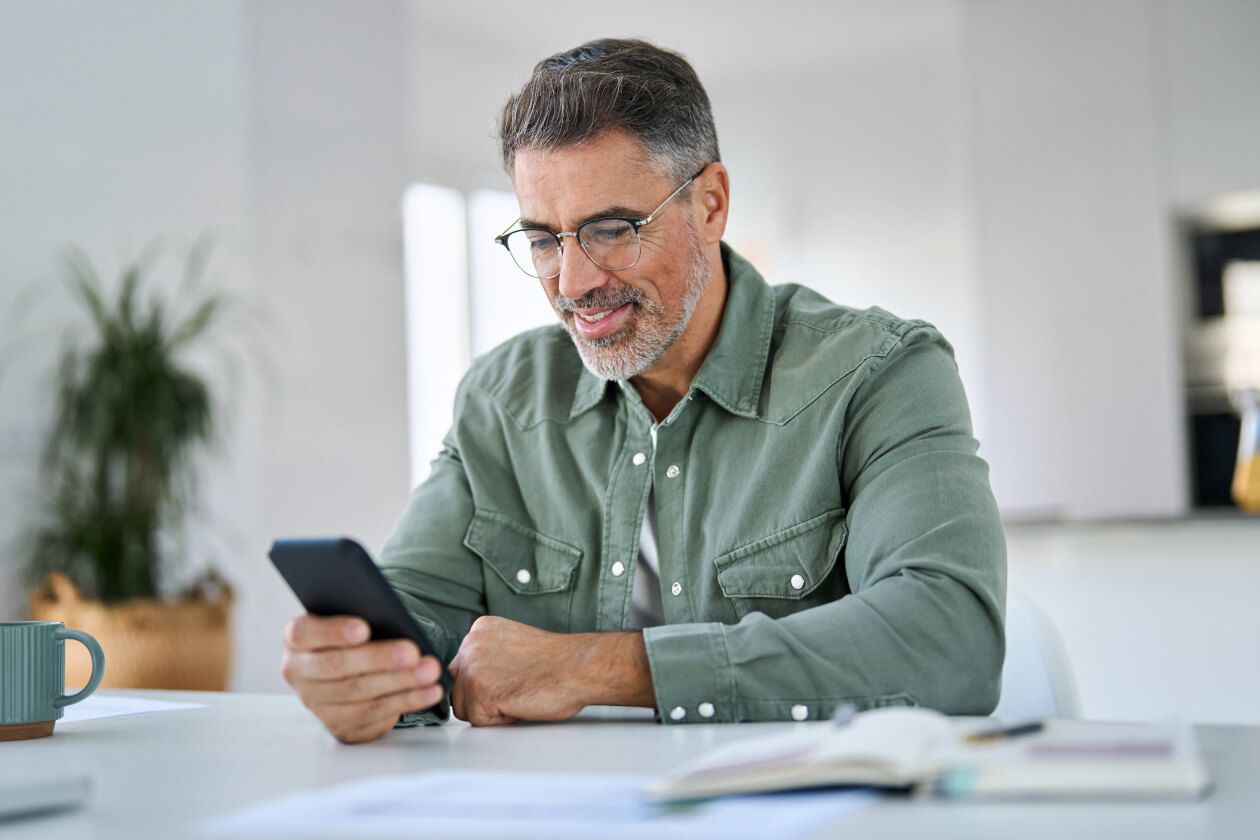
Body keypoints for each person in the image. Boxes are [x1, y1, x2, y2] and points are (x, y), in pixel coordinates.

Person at [281, 38, 1006, 743]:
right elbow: (416, 619)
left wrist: (601, 668)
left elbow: (951, 637)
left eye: (612, 229)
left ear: (712, 204)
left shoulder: (880, 373)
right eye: (542, 240)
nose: (572, 285)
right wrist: (359, 676)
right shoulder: (502, 400)